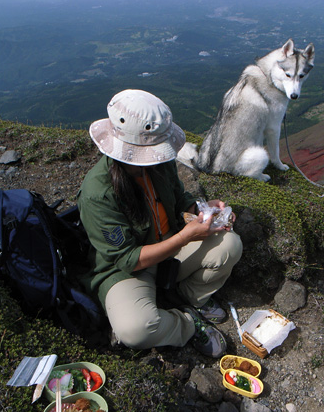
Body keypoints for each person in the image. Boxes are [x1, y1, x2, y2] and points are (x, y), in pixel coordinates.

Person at [77, 89, 243, 358]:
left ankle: (191, 298)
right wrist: (185, 237)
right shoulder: (98, 192)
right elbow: (128, 260)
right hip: (129, 271)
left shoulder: (159, 164)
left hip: (170, 250)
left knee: (229, 244)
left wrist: (202, 209)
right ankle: (187, 324)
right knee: (135, 329)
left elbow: (178, 200)